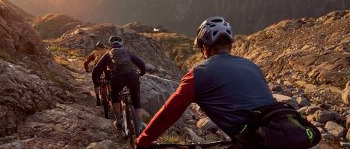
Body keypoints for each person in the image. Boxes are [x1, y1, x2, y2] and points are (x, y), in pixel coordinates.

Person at [136, 17, 320, 149]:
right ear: (230, 45)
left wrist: (142, 140)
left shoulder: (197, 74)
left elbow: (169, 113)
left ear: (204, 48)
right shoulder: (252, 65)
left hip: (256, 141)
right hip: (284, 132)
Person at [92, 35, 146, 131]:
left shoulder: (107, 55)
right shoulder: (128, 52)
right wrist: (141, 73)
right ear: (121, 43)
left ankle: (118, 120)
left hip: (117, 78)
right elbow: (141, 64)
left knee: (115, 98)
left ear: (111, 44)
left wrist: (96, 82)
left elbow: (96, 70)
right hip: (132, 77)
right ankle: (139, 125)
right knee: (137, 103)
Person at [84, 41, 110, 106]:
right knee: (109, 80)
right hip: (107, 68)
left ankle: (98, 99)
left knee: (96, 83)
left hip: (98, 68)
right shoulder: (107, 52)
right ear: (103, 47)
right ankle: (111, 95)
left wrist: (87, 70)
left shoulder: (94, 53)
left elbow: (86, 63)